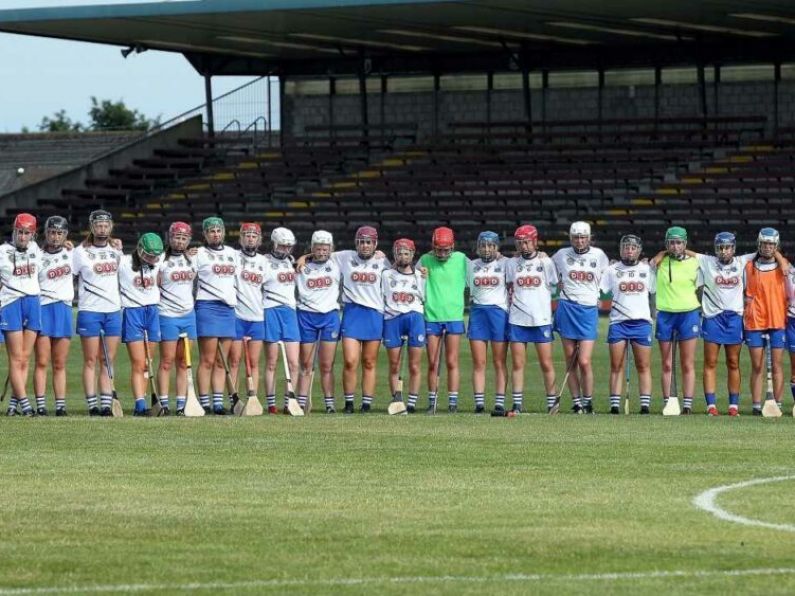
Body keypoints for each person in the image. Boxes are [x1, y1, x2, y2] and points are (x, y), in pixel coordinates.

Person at [551, 221, 609, 413]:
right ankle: (577, 403)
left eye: (583, 237)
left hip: (588, 310)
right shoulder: (560, 255)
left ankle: (588, 401)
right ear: (571, 238)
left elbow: (608, 277)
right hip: (567, 307)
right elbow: (545, 271)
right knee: (570, 360)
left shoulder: (599, 255)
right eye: (576, 237)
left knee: (584, 360)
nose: (579, 241)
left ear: (589, 238)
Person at [72, 210, 123, 416]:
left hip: (112, 310)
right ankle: (92, 405)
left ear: (111, 227)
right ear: (92, 227)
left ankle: (106, 404)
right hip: (90, 310)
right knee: (91, 359)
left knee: (107, 360)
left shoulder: (116, 249)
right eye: (98, 225)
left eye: (106, 225)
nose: (102, 228)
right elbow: (71, 277)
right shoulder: (80, 252)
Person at [692, 233, 748, 416]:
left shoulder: (742, 262)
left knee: (733, 362)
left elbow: (766, 251)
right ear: (716, 249)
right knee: (710, 362)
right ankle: (711, 406)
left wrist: (781, 259)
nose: (724, 251)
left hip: (734, 319)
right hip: (712, 318)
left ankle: (733, 407)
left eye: (727, 247)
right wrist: (661, 254)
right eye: (720, 248)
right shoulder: (707, 261)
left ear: (733, 248)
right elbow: (683, 250)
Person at [505, 225, 558, 414]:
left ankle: (553, 403)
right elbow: (509, 286)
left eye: (527, 242)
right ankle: (517, 404)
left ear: (535, 242)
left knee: (546, 362)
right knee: (518, 363)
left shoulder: (546, 262)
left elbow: (554, 284)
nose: (523, 246)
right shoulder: (511, 264)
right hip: (517, 319)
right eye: (520, 243)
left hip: (541, 318)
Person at [599, 235, 655, 414]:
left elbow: (654, 290)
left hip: (642, 322)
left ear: (639, 250)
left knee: (643, 365)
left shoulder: (647, 270)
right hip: (618, 322)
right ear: (621, 249)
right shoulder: (612, 270)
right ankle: (615, 405)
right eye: (626, 247)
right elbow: (601, 291)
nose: (629, 250)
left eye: (633, 247)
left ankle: (645, 406)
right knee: (616, 365)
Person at [649, 226, 701, 414]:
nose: (675, 246)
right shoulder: (659, 262)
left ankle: (687, 405)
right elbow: (648, 267)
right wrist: (661, 254)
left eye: (679, 242)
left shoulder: (695, 263)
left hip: (689, 314)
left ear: (685, 244)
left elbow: (705, 260)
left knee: (687, 363)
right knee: (667, 363)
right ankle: (669, 401)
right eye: (672, 242)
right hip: (665, 315)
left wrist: (686, 252)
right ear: (666, 244)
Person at [419, 227, 468, 413]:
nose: (442, 254)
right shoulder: (425, 260)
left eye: (446, 250)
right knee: (433, 362)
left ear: (453, 247)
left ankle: (452, 402)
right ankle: (432, 401)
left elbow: (482, 267)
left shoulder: (462, 259)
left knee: (452, 361)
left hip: (454, 316)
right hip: (432, 316)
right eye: (438, 250)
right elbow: (408, 276)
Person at [0, 213, 43, 417]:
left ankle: (13, 404)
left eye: (27, 233)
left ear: (33, 234)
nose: (23, 237)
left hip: (33, 302)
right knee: (16, 358)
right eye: (20, 232)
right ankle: (26, 405)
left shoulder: (36, 250)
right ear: (14, 231)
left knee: (26, 358)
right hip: (11, 303)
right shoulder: (2, 251)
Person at [295, 230, 341, 414]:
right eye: (318, 248)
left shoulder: (338, 263)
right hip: (306, 315)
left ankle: (329, 403)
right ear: (312, 248)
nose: (322, 251)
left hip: (329, 316)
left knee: (326, 365)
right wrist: (303, 258)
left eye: (326, 247)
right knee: (306, 364)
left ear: (331, 248)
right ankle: (301, 402)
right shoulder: (300, 266)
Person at [195, 216, 238, 415]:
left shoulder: (233, 253)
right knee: (208, 359)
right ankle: (204, 402)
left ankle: (218, 403)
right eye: (211, 231)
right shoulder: (198, 253)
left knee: (223, 360)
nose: (215, 234)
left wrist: (304, 257)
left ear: (223, 232)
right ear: (205, 234)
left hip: (228, 309)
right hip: (208, 307)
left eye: (218, 230)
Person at [743, 228, 789, 414]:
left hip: (777, 321)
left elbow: (786, 268)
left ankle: (776, 404)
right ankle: (756, 406)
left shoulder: (784, 268)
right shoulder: (748, 267)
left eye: (771, 244)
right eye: (764, 244)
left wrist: (779, 257)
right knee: (757, 366)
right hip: (754, 322)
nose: (768, 247)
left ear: (776, 246)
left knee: (777, 365)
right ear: (759, 244)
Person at [119, 233, 164, 416]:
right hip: (132, 312)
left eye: (155, 256)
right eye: (148, 256)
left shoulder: (159, 261)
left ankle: (145, 399)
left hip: (152, 311)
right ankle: (139, 405)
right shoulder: (123, 262)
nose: (152, 260)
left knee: (148, 362)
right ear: (139, 249)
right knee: (138, 362)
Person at [156, 221, 198, 415]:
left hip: (188, 315)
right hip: (167, 315)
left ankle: (182, 405)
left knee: (183, 362)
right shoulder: (160, 260)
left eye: (184, 238)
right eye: (176, 237)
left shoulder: (194, 258)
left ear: (188, 240)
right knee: (166, 361)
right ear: (169, 238)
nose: (180, 241)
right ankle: (163, 404)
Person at [33, 216, 73, 417]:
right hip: (43, 309)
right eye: (51, 232)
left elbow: (96, 247)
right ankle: (40, 405)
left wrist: (113, 242)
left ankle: (60, 406)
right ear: (45, 233)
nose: (55, 237)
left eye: (59, 233)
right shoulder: (37, 256)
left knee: (59, 363)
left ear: (65, 235)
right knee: (41, 361)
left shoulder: (72, 254)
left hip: (64, 309)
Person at [467, 231, 508, 414]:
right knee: (479, 362)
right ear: (478, 247)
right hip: (477, 313)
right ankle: (479, 404)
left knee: (499, 361)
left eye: (490, 245)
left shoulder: (507, 263)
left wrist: (541, 253)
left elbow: (529, 260)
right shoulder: (469, 265)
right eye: (483, 245)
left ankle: (499, 402)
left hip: (499, 313)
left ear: (496, 247)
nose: (486, 249)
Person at [382, 238, 425, 413]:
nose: (403, 256)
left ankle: (412, 403)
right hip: (392, 319)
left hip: (415, 318)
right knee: (394, 364)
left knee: (414, 364)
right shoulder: (386, 275)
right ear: (394, 254)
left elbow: (425, 297)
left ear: (413, 255)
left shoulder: (420, 275)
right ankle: (397, 400)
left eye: (406, 253)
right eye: (399, 252)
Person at [227, 223, 267, 411]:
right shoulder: (233, 256)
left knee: (253, 361)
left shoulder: (264, 261)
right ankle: (233, 399)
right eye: (247, 235)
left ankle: (253, 398)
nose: (250, 238)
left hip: (257, 317)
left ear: (259, 239)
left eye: (254, 235)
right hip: (237, 316)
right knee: (234, 360)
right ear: (241, 238)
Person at [262, 227, 300, 414]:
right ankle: (271, 404)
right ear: (274, 244)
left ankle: (289, 402)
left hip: (290, 313)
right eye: (282, 246)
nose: (286, 250)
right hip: (270, 310)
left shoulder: (292, 261)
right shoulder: (263, 261)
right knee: (271, 362)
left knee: (294, 362)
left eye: (288, 247)